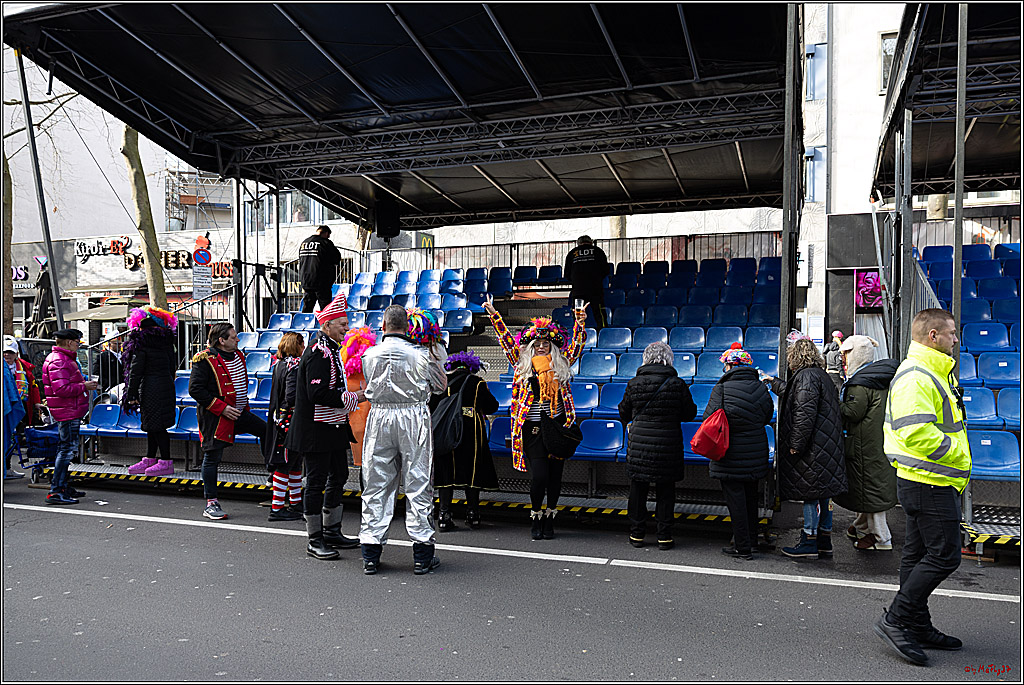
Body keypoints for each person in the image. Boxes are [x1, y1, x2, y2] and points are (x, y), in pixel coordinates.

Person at [874, 309, 971, 666]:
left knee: (916, 556)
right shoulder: (918, 375)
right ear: (933, 335)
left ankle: (915, 622)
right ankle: (897, 618)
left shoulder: (932, 371)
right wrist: (958, 455)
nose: (956, 339)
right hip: (930, 481)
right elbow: (916, 431)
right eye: (951, 333)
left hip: (926, 481)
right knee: (945, 554)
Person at [483, 300, 587, 540]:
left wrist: (580, 322)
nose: (541, 347)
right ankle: (536, 514)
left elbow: (578, 346)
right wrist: (495, 316)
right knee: (540, 475)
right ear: (530, 346)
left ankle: (550, 516)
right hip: (531, 430)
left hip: (558, 427)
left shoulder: (562, 363)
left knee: (554, 476)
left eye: (545, 343)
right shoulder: (522, 366)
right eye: (537, 343)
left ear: (552, 346)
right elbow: (507, 342)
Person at [359, 305, 447, 575]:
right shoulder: (420, 354)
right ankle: (422, 553)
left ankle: (371, 553)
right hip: (412, 416)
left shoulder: (368, 354)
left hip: (380, 417)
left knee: (376, 483)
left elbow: (366, 385)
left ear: (383, 325)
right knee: (418, 481)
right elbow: (441, 385)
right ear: (407, 327)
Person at [286, 294, 364, 559]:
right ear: (327, 325)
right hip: (315, 430)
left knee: (339, 476)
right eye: (342, 323)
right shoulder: (319, 352)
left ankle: (332, 531)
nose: (347, 327)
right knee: (317, 481)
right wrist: (355, 398)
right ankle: (314, 538)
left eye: (347, 323)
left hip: (332, 427)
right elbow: (316, 394)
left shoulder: (330, 349)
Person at [767, 335, 847, 560]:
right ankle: (824, 540)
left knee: (811, 494)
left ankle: (808, 541)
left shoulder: (806, 378)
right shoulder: (818, 376)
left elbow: (803, 414)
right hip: (825, 447)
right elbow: (797, 396)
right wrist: (773, 382)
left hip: (813, 449)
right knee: (824, 495)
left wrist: (795, 445)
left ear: (795, 356)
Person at [618, 341, 697, 550]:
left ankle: (636, 534)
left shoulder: (634, 383)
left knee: (638, 489)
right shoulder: (677, 384)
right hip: (667, 445)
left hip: (640, 445)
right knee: (665, 491)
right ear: (668, 359)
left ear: (645, 358)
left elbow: (623, 413)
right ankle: (664, 536)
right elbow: (690, 413)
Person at [188, 323, 267, 521]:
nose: (238, 339)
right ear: (221, 341)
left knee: (267, 431)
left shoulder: (239, 356)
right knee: (212, 457)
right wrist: (222, 408)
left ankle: (274, 474)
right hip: (216, 417)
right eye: (233, 337)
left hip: (239, 413)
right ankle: (211, 502)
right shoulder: (204, 359)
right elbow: (195, 390)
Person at [704, 343, 775, 560]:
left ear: (730, 366)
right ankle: (752, 541)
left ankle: (742, 547)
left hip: (730, 452)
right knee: (751, 498)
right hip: (755, 451)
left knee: (735, 501)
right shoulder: (761, 387)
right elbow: (767, 416)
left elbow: (710, 417)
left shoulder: (722, 388)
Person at [833, 335, 899, 552]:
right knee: (867, 488)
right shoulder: (877, 377)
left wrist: (833, 403)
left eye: (845, 355)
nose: (843, 360)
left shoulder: (860, 383)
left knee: (870, 490)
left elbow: (853, 412)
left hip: (864, 446)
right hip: (876, 442)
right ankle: (861, 526)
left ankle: (882, 538)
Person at [429, 351, 500, 532]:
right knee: (472, 469)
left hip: (446, 427)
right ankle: (473, 514)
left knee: (446, 469)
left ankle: (444, 515)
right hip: (471, 427)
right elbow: (492, 406)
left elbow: (432, 405)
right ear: (471, 367)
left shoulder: (442, 381)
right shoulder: (477, 382)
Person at [41, 328, 97, 505]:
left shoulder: (62, 359)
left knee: (66, 448)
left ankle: (62, 486)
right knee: (67, 450)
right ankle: (56, 490)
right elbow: (61, 389)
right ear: (69, 342)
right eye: (77, 341)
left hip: (68, 410)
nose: (79, 344)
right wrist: (84, 386)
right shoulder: (60, 360)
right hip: (67, 411)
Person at [121, 307, 178, 477]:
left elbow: (136, 371)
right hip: (166, 385)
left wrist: (131, 394)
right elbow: (171, 367)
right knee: (154, 425)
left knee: (155, 426)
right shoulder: (166, 342)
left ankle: (166, 462)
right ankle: (150, 458)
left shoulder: (141, 343)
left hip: (150, 387)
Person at [263, 332, 305, 522]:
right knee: (286, 463)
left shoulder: (278, 364)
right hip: (289, 421)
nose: (304, 348)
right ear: (296, 346)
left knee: (294, 463)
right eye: (302, 344)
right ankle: (278, 507)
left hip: (278, 419)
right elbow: (291, 397)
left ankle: (295, 502)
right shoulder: (294, 365)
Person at [4, 337, 42, 479]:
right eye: (5, 352)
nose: (7, 355)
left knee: (14, 439)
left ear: (16, 354)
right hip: (7, 409)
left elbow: (33, 386)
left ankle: (7, 468)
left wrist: (37, 403)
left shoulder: (24, 368)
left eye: (10, 352)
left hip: (21, 409)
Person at [564, 235, 609, 331]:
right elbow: (606, 270)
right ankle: (604, 332)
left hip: (578, 290)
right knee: (599, 313)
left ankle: (578, 332)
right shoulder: (598, 251)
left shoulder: (573, 253)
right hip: (595, 290)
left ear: (578, 243)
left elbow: (567, 274)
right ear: (591, 242)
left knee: (578, 313)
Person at [298, 225, 341, 314]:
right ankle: (325, 327)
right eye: (328, 235)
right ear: (325, 233)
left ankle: (304, 325)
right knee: (326, 309)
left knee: (307, 308)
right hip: (321, 281)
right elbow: (336, 258)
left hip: (307, 281)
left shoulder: (304, 243)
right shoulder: (325, 243)